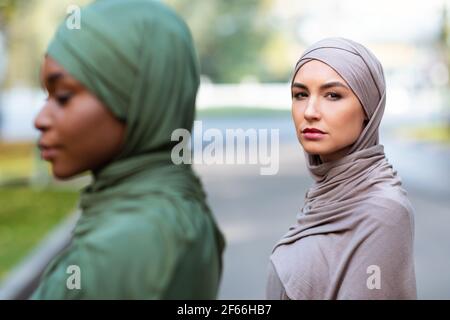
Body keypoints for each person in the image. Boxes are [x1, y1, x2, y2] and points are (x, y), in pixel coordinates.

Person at [32, 0, 224, 299]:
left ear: (136, 96)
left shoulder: (133, 240)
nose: (40, 119)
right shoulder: (176, 211)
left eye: (64, 96)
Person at [266, 37, 416, 299]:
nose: (310, 111)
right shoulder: (329, 193)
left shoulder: (381, 210)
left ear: (369, 108)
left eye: (333, 95)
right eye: (300, 95)